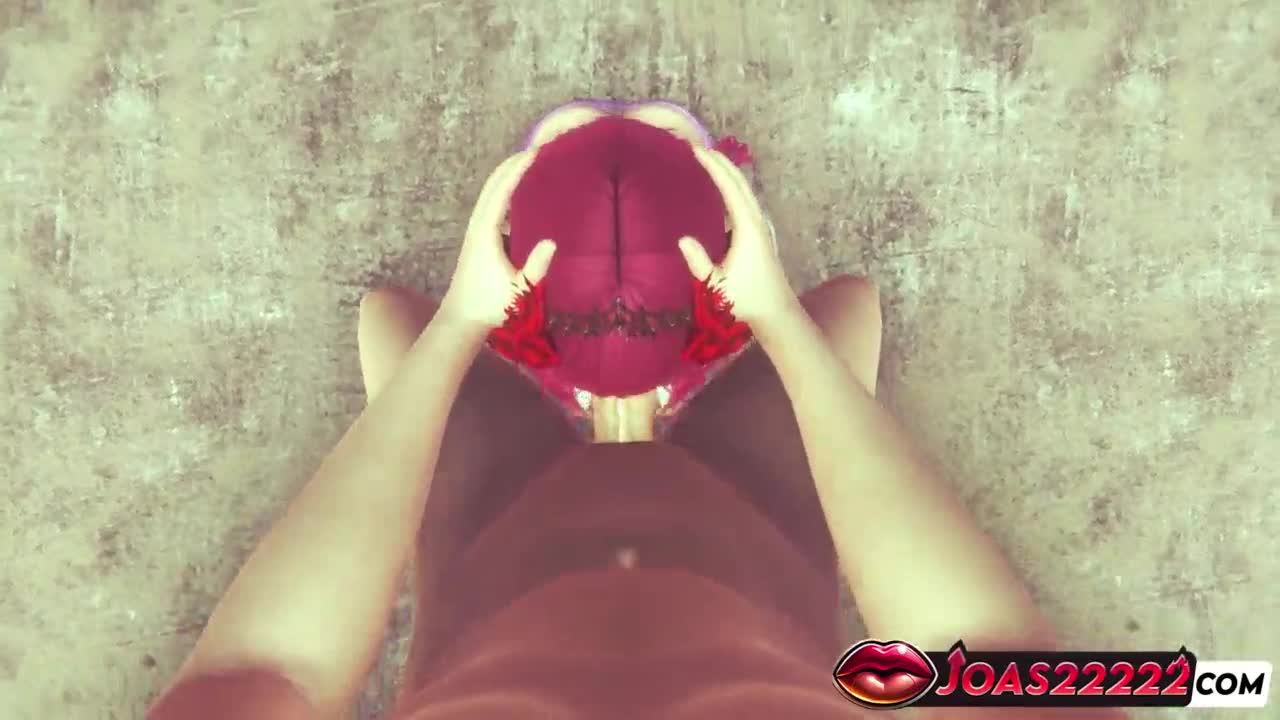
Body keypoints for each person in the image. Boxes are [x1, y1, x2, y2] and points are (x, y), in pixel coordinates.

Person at [147, 106, 1125, 719]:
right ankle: (647, 396)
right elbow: (992, 656)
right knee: (843, 318)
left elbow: (264, 674)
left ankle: (602, 394)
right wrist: (775, 322)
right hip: (740, 538)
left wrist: (461, 324)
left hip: (504, 545)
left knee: (394, 329)